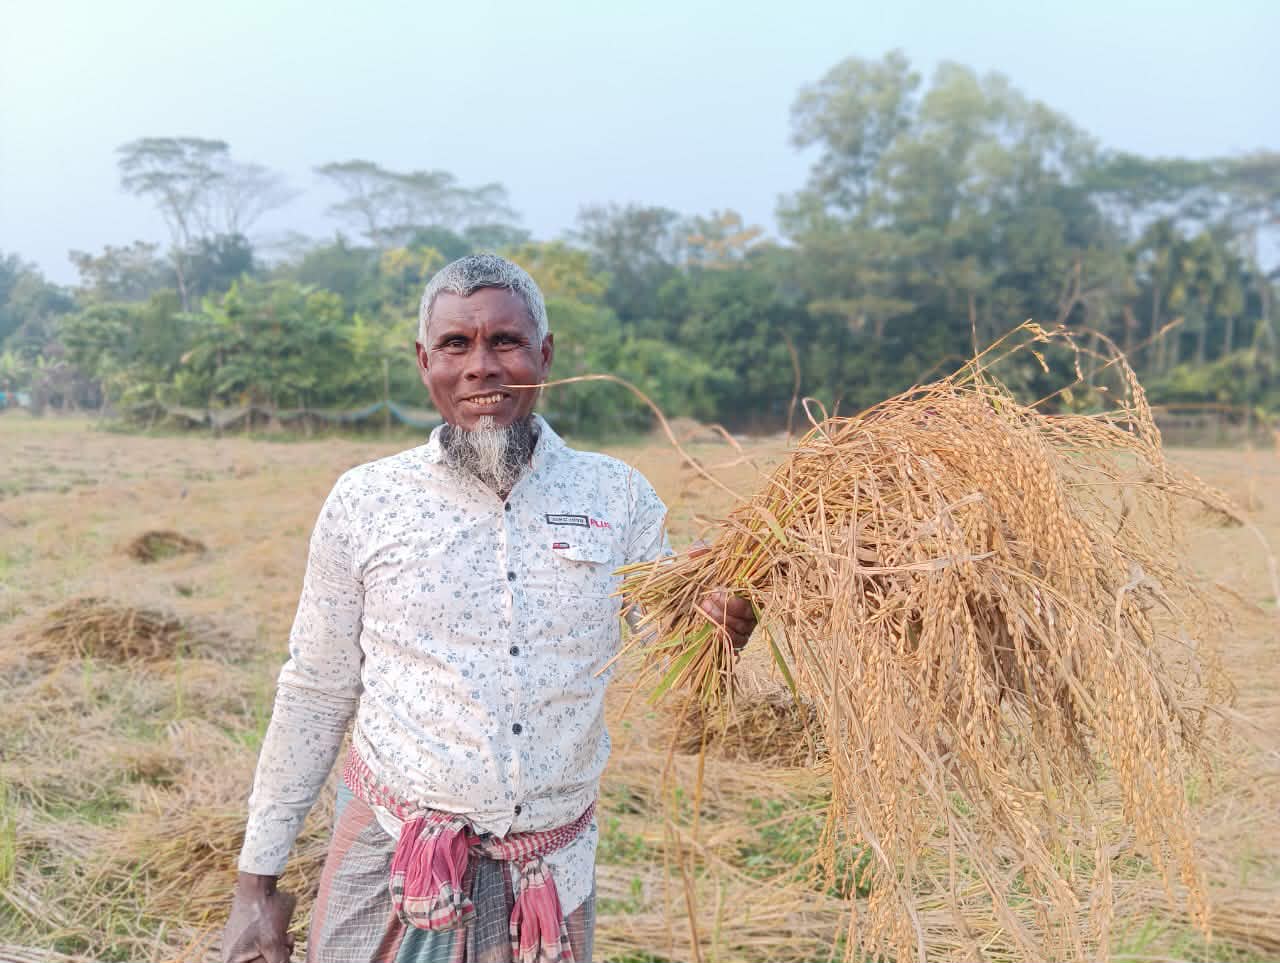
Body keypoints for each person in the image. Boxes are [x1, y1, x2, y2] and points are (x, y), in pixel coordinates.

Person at [222, 254, 756, 963]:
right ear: (424, 361)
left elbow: (669, 641)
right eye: (456, 344)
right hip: (390, 858)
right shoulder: (367, 500)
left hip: (550, 875)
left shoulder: (615, 495)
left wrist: (715, 626)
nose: (482, 367)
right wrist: (255, 884)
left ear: (545, 355)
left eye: (506, 341)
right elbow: (315, 689)